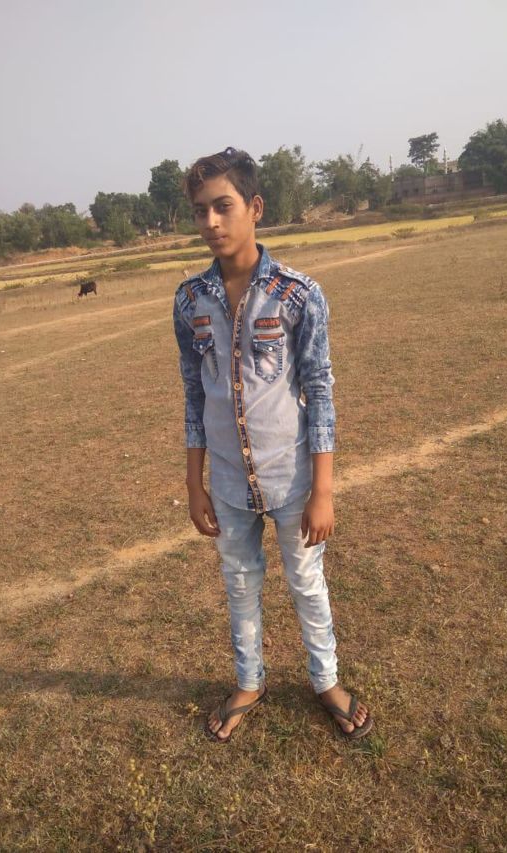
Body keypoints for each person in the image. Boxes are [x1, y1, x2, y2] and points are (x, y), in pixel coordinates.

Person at [172, 147, 374, 743]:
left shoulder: (298, 294)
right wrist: (194, 483)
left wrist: (323, 490)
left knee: (306, 583)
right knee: (239, 582)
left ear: (255, 207)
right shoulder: (189, 300)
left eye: (223, 206)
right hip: (228, 481)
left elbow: (321, 390)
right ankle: (249, 681)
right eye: (201, 211)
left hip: (291, 475)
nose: (211, 222)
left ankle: (326, 681)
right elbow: (193, 394)